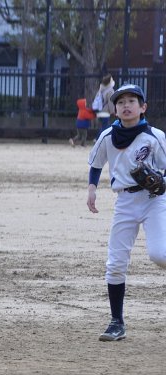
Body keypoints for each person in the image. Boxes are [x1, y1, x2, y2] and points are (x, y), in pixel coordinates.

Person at [86, 84, 166, 341]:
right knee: (115, 263)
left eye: (132, 101)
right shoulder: (108, 136)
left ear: (143, 108)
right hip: (125, 202)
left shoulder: (154, 136)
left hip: (154, 200)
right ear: (115, 109)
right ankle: (116, 322)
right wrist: (92, 189)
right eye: (121, 102)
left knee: (159, 254)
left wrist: (162, 181)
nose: (126, 105)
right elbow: (96, 164)